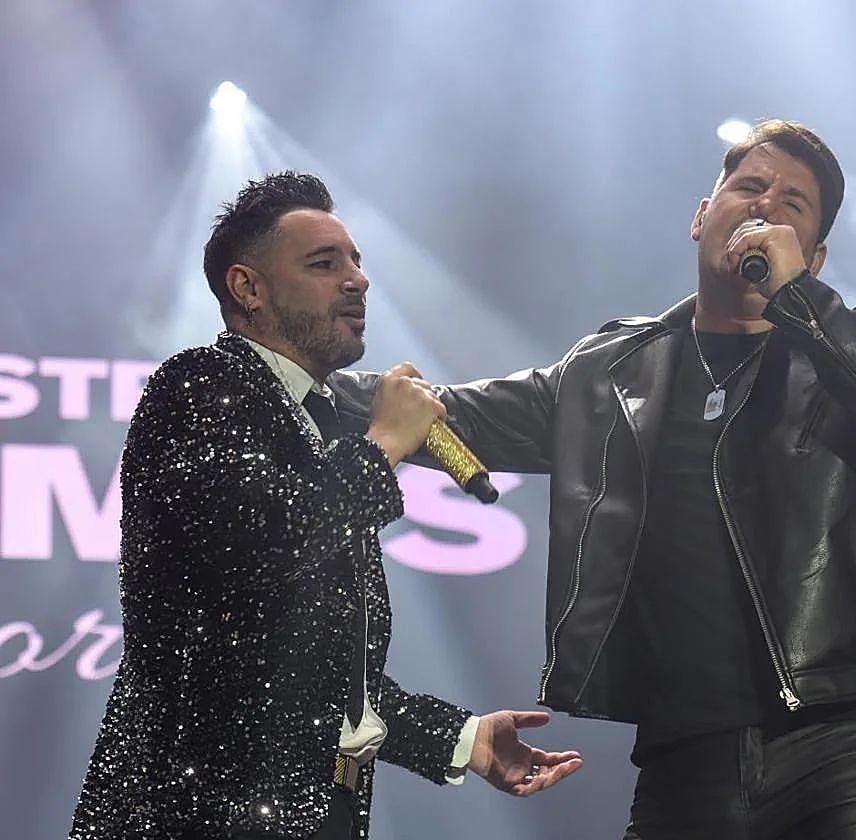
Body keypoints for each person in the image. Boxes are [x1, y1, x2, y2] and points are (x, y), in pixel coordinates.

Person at [336, 119, 856, 838]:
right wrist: (287, 375)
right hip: (683, 755)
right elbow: (444, 416)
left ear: (815, 257)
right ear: (702, 216)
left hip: (846, 738)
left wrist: (802, 301)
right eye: (749, 186)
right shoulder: (610, 372)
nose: (766, 205)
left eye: (793, 203)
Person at [69, 172, 582, 840]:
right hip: (197, 810)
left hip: (312, 809)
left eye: (357, 262)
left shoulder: (320, 425)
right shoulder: (197, 386)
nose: (357, 280)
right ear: (248, 287)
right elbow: (263, 550)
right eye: (324, 263)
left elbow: (303, 668)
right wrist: (385, 443)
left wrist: (465, 740)